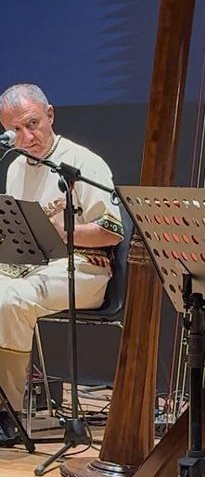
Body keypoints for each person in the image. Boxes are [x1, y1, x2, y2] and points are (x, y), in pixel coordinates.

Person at [0, 84, 123, 446]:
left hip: (84, 269)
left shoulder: (83, 162)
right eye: (15, 131)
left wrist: (63, 232)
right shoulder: (16, 168)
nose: (26, 137)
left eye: (32, 124)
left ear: (50, 115)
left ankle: (7, 413)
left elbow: (112, 232)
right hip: (32, 266)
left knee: (8, 300)